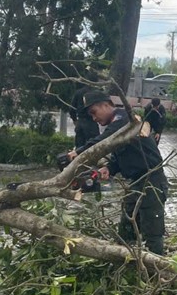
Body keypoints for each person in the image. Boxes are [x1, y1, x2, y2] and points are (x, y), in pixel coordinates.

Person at [68, 91, 169, 255]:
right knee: (126, 230)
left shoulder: (124, 119)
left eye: (94, 112)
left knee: (153, 232)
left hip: (152, 181)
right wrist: (110, 168)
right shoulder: (117, 128)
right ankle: (127, 261)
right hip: (135, 182)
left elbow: (105, 140)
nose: (94, 118)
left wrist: (79, 152)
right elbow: (120, 154)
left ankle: (157, 265)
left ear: (105, 105)